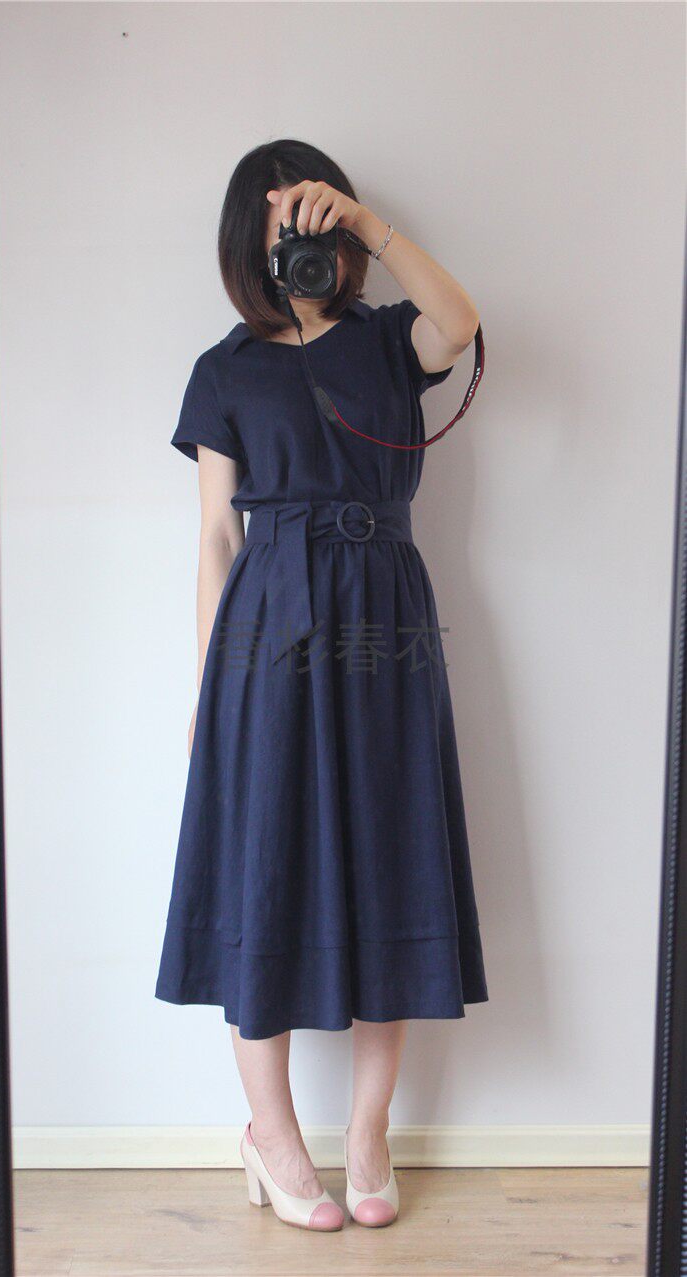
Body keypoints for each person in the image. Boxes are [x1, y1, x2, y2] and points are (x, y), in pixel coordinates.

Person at [155, 138, 488, 1232]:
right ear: (243, 242)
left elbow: (461, 324)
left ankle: (367, 1131)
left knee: (390, 852)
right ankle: (273, 1136)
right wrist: (210, 685)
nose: (294, 240)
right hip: (271, 626)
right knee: (265, 863)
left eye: (309, 216)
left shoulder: (391, 339)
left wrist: (371, 226)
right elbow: (215, 535)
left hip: (384, 613)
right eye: (275, 223)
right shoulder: (223, 370)